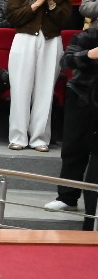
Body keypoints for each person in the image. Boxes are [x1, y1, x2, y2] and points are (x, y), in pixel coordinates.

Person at [4, 0, 72, 152]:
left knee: (45, 90)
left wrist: (51, 3)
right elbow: (13, 18)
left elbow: (64, 21)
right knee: (20, 88)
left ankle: (40, 138)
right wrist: (36, 4)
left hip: (51, 40)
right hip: (24, 40)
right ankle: (17, 136)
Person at [50, 27, 98, 229]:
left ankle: (91, 213)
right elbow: (66, 60)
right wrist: (89, 55)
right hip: (80, 97)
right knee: (73, 149)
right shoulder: (88, 36)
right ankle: (68, 197)